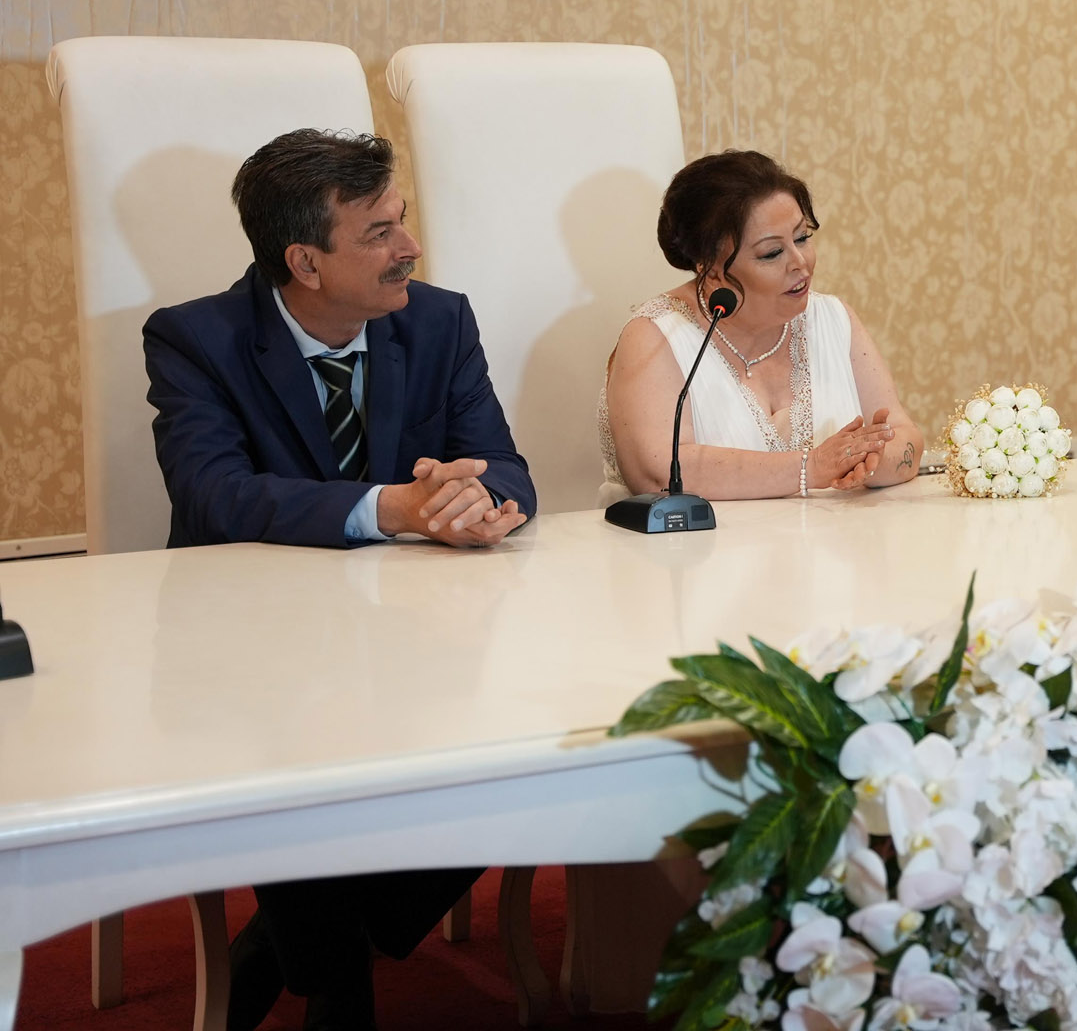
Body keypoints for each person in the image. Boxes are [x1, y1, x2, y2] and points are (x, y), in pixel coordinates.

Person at [144, 128, 534, 1030]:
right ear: (305, 262)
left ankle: (298, 952)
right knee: (293, 754)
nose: (411, 247)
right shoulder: (196, 339)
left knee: (519, 758)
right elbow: (213, 495)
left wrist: (472, 500)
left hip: (415, 641)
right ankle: (337, 986)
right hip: (248, 651)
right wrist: (392, 508)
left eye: (403, 221)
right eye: (380, 233)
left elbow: (506, 468)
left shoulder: (439, 321)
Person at [600, 149, 923, 500]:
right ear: (711, 268)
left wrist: (871, 461)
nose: (800, 262)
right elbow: (657, 473)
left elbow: (905, 437)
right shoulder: (656, 335)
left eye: (802, 237)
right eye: (772, 253)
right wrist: (812, 467)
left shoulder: (833, 319)